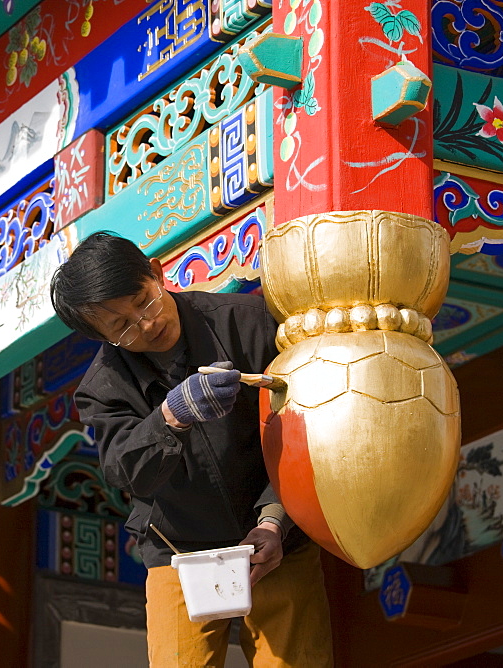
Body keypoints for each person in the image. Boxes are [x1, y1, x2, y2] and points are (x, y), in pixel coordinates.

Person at [49, 232, 333, 667]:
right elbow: (125, 472)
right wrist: (170, 416)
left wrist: (276, 519)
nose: (145, 324)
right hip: (180, 551)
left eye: (144, 301)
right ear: (101, 338)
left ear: (157, 272)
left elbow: (310, 425)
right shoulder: (102, 389)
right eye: (122, 326)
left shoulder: (251, 321)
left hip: (277, 535)